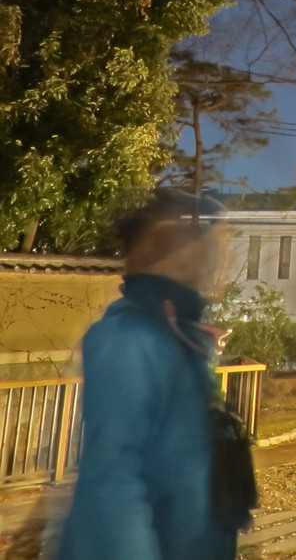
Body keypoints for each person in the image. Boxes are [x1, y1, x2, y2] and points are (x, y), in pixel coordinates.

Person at [58, 189, 256, 560]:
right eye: (215, 243)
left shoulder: (178, 335)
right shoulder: (129, 339)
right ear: (176, 249)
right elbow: (112, 480)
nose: (223, 259)